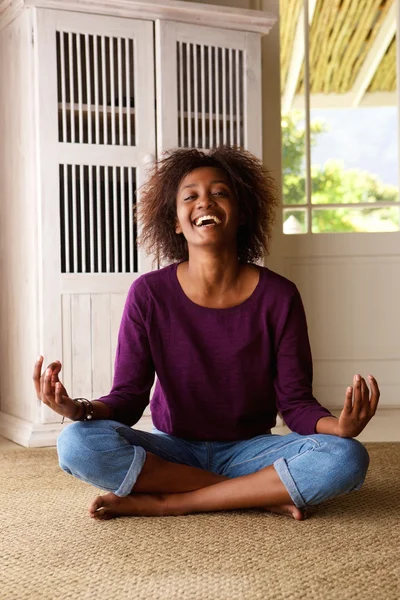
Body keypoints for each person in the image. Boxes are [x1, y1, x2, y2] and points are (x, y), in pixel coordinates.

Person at [33, 146, 379, 521]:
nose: (205, 202)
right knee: (76, 444)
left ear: (243, 213)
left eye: (219, 192)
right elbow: (129, 398)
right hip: (174, 450)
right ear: (177, 222)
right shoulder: (149, 294)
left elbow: (295, 403)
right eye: (191, 196)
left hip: (253, 451)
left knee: (346, 456)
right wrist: (76, 409)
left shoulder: (279, 295)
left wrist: (339, 426)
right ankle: (258, 495)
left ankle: (173, 501)